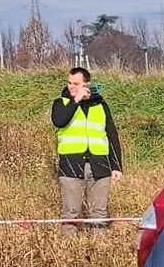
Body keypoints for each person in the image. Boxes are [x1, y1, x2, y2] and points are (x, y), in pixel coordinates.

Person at [50, 67, 123, 228]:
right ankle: (68, 249)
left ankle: (99, 248)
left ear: (87, 84)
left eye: (76, 83)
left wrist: (116, 166)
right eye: (69, 83)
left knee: (99, 213)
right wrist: (76, 100)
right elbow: (59, 121)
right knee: (71, 212)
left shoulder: (101, 106)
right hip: (71, 165)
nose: (71, 87)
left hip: (100, 165)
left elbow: (112, 136)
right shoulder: (61, 103)